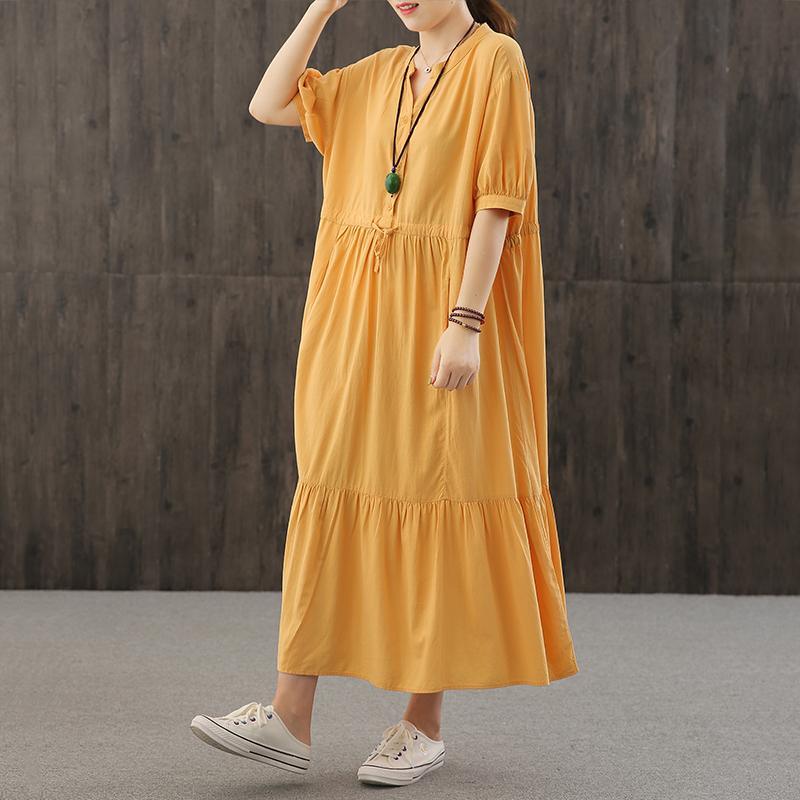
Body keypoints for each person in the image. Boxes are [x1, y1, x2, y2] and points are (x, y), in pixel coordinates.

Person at [190, 0, 579, 787]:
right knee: (331, 485)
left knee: (436, 494)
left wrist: (466, 321)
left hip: (441, 316)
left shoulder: (494, 62)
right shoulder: (377, 75)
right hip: (353, 323)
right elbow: (268, 102)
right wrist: (321, 7)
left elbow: (499, 202)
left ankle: (421, 725)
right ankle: (290, 716)